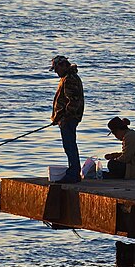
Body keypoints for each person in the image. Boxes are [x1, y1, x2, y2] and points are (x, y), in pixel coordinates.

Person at [50, 55, 84, 184]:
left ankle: (73, 174)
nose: (55, 71)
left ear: (64, 65)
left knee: (69, 146)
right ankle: (73, 172)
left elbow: (73, 101)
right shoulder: (67, 78)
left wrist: (64, 117)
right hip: (66, 118)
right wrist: (57, 117)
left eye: (56, 68)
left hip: (69, 119)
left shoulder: (70, 79)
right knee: (69, 145)